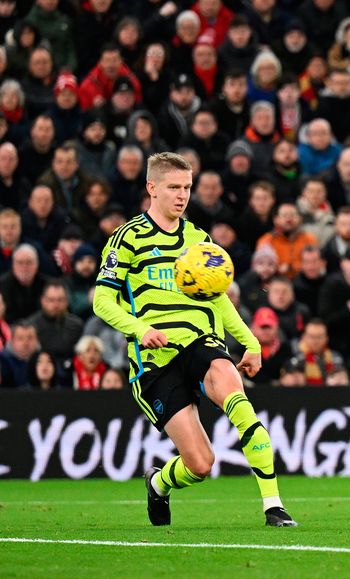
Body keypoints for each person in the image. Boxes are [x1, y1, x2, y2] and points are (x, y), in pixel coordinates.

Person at [92, 152, 296, 528]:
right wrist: (140, 330)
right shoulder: (128, 238)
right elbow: (101, 300)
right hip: (154, 359)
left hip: (201, 343)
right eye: (174, 187)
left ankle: (274, 506)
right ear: (152, 188)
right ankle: (158, 482)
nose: (182, 195)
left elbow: (218, 298)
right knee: (200, 464)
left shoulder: (197, 238)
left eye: (187, 187)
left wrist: (250, 342)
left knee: (239, 402)